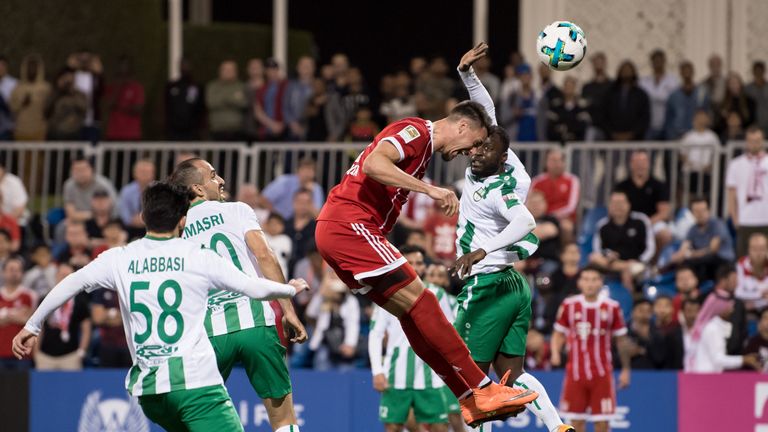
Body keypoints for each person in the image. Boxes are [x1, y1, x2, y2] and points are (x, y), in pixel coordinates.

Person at [315, 53, 537, 428]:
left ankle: (469, 399)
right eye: (474, 144)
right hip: (348, 225)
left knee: (412, 314)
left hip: (345, 231)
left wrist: (468, 75)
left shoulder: (425, 149)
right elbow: (373, 164)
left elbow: (488, 116)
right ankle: (482, 388)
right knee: (426, 300)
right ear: (462, 127)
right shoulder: (416, 132)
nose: (471, 154)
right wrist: (430, 190)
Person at [12, 182, 307, 432]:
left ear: (143, 217)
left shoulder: (119, 258)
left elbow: (70, 284)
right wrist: (289, 289)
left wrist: (32, 325)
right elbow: (251, 286)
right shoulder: (196, 255)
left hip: (151, 392)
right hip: (195, 385)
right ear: (182, 220)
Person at [451, 43, 571, 432]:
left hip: (486, 284)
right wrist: (468, 75)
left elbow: (526, 220)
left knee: (471, 381)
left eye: (484, 149)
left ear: (501, 158)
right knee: (511, 375)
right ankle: (558, 427)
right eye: (478, 144)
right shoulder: (506, 161)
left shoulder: (498, 189)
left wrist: (482, 250)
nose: (476, 151)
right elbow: (489, 114)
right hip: (514, 285)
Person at [169, 158, 307, 432]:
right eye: (213, 175)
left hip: (209, 333)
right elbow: (265, 255)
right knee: (283, 419)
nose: (220, 180)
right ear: (198, 188)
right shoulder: (237, 210)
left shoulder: (176, 229)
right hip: (256, 323)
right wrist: (288, 311)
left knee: (200, 419)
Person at [369, 248, 454, 432]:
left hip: (431, 375)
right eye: (410, 263)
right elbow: (376, 334)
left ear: (424, 267)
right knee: (393, 427)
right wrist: (377, 371)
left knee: (440, 428)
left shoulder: (438, 294)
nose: (414, 267)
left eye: (419, 263)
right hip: (396, 375)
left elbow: (451, 330)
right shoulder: (386, 294)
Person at [551, 266, 632, 432]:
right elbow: (558, 333)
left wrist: (625, 369)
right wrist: (555, 353)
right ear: (579, 282)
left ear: (601, 282)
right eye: (586, 279)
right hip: (575, 374)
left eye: (594, 279)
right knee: (575, 422)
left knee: (602, 423)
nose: (590, 284)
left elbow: (622, 340)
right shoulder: (569, 305)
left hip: (602, 374)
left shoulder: (612, 307)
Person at [590, 190, 656, 291]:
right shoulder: (602, 225)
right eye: (614, 203)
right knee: (593, 258)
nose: (618, 206)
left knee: (628, 272)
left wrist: (639, 260)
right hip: (612, 264)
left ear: (629, 204)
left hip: (637, 264)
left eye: (621, 202)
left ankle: (628, 297)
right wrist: (608, 255)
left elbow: (650, 248)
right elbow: (598, 250)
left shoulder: (641, 221)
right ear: (609, 206)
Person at [33, 263, 91, 370]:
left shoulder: (80, 301)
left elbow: (86, 329)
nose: (64, 279)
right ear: (56, 276)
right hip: (45, 356)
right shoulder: (45, 299)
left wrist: (81, 351)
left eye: (67, 276)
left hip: (71, 356)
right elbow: (38, 328)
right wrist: (36, 352)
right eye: (62, 275)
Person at [689, 290, 760, 373]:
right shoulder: (713, 328)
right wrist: (744, 359)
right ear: (720, 308)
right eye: (729, 307)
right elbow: (718, 359)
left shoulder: (715, 326)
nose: (732, 311)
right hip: (706, 375)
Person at [725, 126, 768, 257]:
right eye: (751, 141)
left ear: (762, 141)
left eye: (757, 140)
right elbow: (731, 194)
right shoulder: (736, 164)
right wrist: (735, 218)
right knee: (743, 258)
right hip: (745, 219)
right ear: (746, 142)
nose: (755, 144)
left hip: (766, 217)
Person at [670, 196, 734, 281]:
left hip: (722, 262)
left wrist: (692, 254)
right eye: (696, 211)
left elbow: (713, 249)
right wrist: (676, 257)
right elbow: (684, 248)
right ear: (692, 213)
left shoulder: (717, 224)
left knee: (702, 261)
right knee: (682, 263)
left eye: (702, 210)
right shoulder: (692, 229)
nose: (700, 214)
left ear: (708, 211)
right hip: (702, 262)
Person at [530, 148, 580, 236]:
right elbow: (529, 202)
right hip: (539, 217)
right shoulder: (537, 181)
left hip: (562, 218)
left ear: (564, 163)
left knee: (567, 227)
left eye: (559, 160)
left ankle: (567, 246)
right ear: (546, 162)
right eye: (552, 160)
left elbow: (571, 207)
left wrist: (552, 215)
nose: (556, 164)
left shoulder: (572, 180)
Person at [0, 257, 37, 369]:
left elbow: (32, 322)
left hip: (23, 354)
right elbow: (23, 318)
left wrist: (6, 315)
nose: (14, 273)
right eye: (11, 269)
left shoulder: (30, 295)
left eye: (17, 270)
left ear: (22, 273)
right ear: (3, 272)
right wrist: (17, 315)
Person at [603, 61, 650, 141]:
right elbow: (603, 115)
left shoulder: (641, 94)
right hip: (612, 139)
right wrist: (612, 133)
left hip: (635, 139)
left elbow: (644, 118)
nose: (626, 72)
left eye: (628, 69)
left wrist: (632, 134)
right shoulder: (610, 93)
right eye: (624, 70)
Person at [639, 49, 680, 140]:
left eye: (660, 60)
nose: (658, 63)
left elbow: (676, 103)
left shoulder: (673, 81)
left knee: (669, 148)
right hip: (649, 125)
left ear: (664, 61)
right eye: (655, 61)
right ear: (651, 62)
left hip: (668, 125)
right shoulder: (643, 82)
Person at [62, 158, 118, 224]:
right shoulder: (69, 185)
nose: (80, 173)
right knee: (63, 226)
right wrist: (93, 215)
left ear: (92, 169)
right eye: (76, 170)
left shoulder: (103, 185)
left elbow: (112, 209)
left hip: (103, 221)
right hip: (79, 222)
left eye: (83, 169)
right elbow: (71, 214)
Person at [9, 54, 51, 140]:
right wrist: (22, 103)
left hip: (40, 131)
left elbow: (50, 109)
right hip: (20, 130)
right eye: (29, 67)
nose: (32, 70)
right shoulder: (17, 88)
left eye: (34, 67)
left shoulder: (46, 88)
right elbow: (11, 109)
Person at [665, 61, 709, 140]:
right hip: (678, 136)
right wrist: (671, 135)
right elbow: (669, 119)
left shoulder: (701, 93)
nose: (687, 74)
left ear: (693, 72)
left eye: (689, 71)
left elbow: (705, 114)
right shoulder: (674, 96)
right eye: (684, 71)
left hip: (697, 136)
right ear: (680, 73)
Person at [104, 56, 144, 140]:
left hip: (132, 134)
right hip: (113, 133)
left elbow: (138, 109)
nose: (123, 68)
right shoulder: (112, 86)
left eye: (125, 65)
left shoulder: (136, 87)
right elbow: (109, 104)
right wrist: (119, 87)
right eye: (120, 65)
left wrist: (120, 107)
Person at [165, 58, 206, 140]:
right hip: (174, 130)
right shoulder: (171, 86)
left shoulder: (197, 87)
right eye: (183, 66)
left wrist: (200, 127)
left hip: (193, 130)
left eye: (187, 66)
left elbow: (201, 108)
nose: (185, 68)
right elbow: (167, 106)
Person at [206, 60, 247, 141]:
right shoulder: (213, 86)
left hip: (237, 130)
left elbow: (243, 103)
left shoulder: (241, 86)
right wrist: (233, 99)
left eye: (231, 70)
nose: (228, 72)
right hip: (217, 129)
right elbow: (211, 103)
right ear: (220, 71)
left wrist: (223, 99)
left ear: (236, 72)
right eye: (226, 70)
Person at [45, 67, 88, 140]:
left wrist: (72, 92)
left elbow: (83, 109)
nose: (67, 81)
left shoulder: (80, 95)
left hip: (73, 135)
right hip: (54, 135)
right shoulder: (54, 93)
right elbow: (46, 112)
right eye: (65, 78)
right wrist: (58, 91)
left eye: (70, 78)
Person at [252, 58, 290, 141]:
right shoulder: (261, 89)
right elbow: (258, 111)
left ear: (278, 70)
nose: (272, 72)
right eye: (269, 70)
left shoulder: (286, 85)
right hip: (266, 131)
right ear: (266, 71)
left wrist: (282, 124)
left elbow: (290, 107)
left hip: (284, 130)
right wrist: (272, 125)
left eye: (274, 69)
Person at [118, 159, 156, 236]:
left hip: (153, 228)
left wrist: (145, 220)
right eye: (142, 171)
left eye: (147, 172)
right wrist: (131, 220)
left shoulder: (159, 191)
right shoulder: (127, 191)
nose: (144, 174)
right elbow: (123, 212)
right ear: (134, 173)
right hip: (130, 228)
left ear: (153, 174)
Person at [285, 188, 318, 276]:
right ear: (293, 202)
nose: (303, 205)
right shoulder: (283, 225)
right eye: (300, 201)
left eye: (307, 202)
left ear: (312, 204)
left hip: (307, 273)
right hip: (284, 271)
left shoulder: (317, 228)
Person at [546, 76, 590, 142]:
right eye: (566, 86)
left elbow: (582, 128)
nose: (568, 89)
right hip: (558, 144)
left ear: (574, 88)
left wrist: (565, 129)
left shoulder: (581, 108)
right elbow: (551, 128)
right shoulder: (556, 107)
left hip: (576, 144)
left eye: (570, 86)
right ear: (563, 88)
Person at [284, 56, 316, 141]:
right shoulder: (291, 86)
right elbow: (285, 107)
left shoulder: (318, 86)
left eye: (308, 65)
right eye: (303, 65)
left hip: (312, 132)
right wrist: (292, 124)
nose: (306, 68)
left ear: (313, 68)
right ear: (298, 68)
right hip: (292, 131)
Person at [581, 52, 611, 140]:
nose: (598, 65)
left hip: (609, 126)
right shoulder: (587, 87)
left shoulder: (612, 86)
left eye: (600, 62)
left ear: (605, 63)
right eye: (596, 62)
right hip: (593, 125)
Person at [735, 232, 768, 312]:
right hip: (748, 309)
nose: (758, 253)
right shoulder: (741, 264)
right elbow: (738, 292)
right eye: (754, 249)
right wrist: (759, 294)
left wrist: (757, 303)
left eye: (762, 249)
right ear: (749, 250)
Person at [746, 61, 768, 136]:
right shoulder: (748, 89)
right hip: (753, 124)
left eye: (760, 71)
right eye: (756, 71)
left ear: (764, 71)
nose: (758, 73)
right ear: (753, 72)